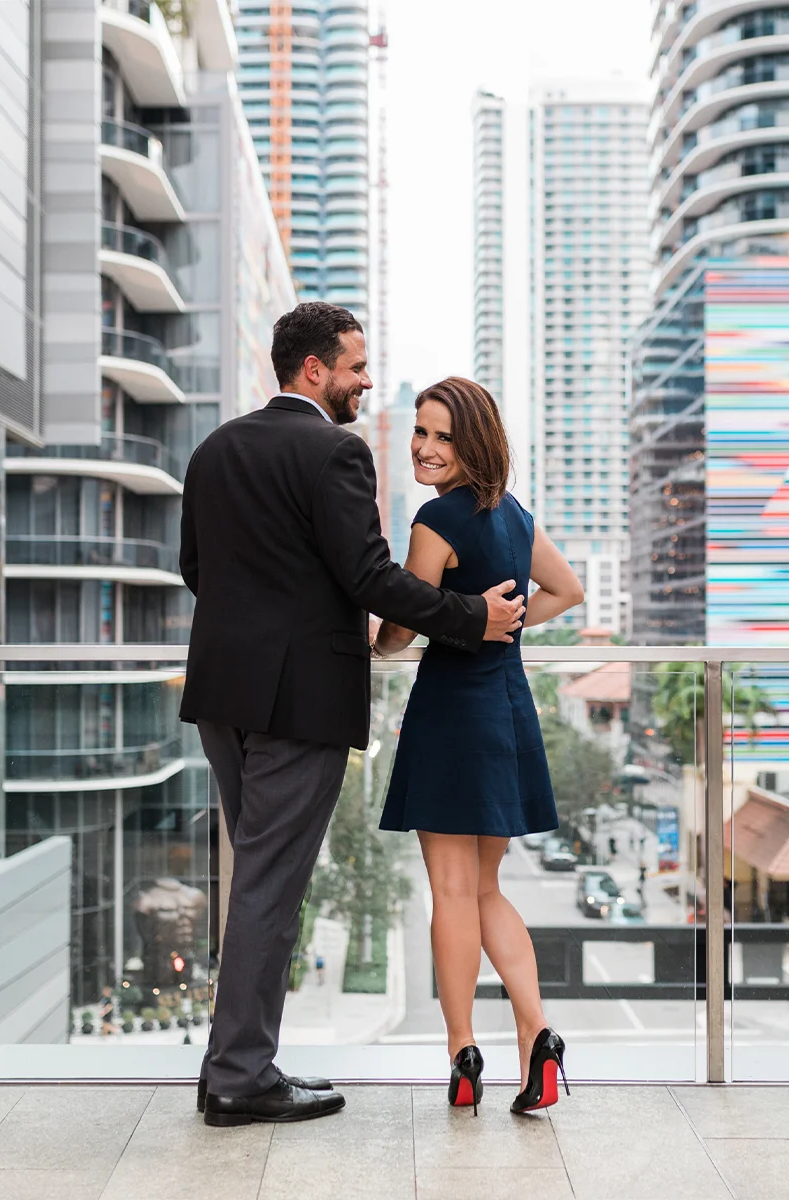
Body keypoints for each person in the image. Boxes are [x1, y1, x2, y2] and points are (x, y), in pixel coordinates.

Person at [179, 304, 526, 1127]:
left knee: (258, 884)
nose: (367, 381)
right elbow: (371, 578)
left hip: (223, 696)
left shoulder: (215, 447)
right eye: (356, 366)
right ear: (313, 371)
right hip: (300, 702)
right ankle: (237, 1077)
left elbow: (198, 568)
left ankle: (234, 1064)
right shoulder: (336, 451)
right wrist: (473, 617)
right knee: (270, 888)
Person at [374, 377, 584, 1117]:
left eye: (442, 436)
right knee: (489, 888)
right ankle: (540, 1033)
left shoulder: (436, 520)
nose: (425, 448)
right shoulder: (515, 516)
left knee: (452, 892)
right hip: (505, 710)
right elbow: (566, 591)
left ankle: (463, 1052)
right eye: (421, 432)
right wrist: (510, 623)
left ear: (473, 444)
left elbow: (406, 622)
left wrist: (377, 640)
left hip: (450, 712)